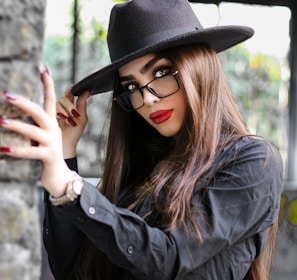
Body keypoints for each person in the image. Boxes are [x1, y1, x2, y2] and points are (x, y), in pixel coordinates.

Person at [0, 0, 283, 279]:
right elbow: (72, 270)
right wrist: (64, 154)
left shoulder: (252, 161)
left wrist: (68, 186)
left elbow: (170, 257)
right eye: (132, 86)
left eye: (160, 72)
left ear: (198, 68)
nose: (147, 98)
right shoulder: (136, 171)